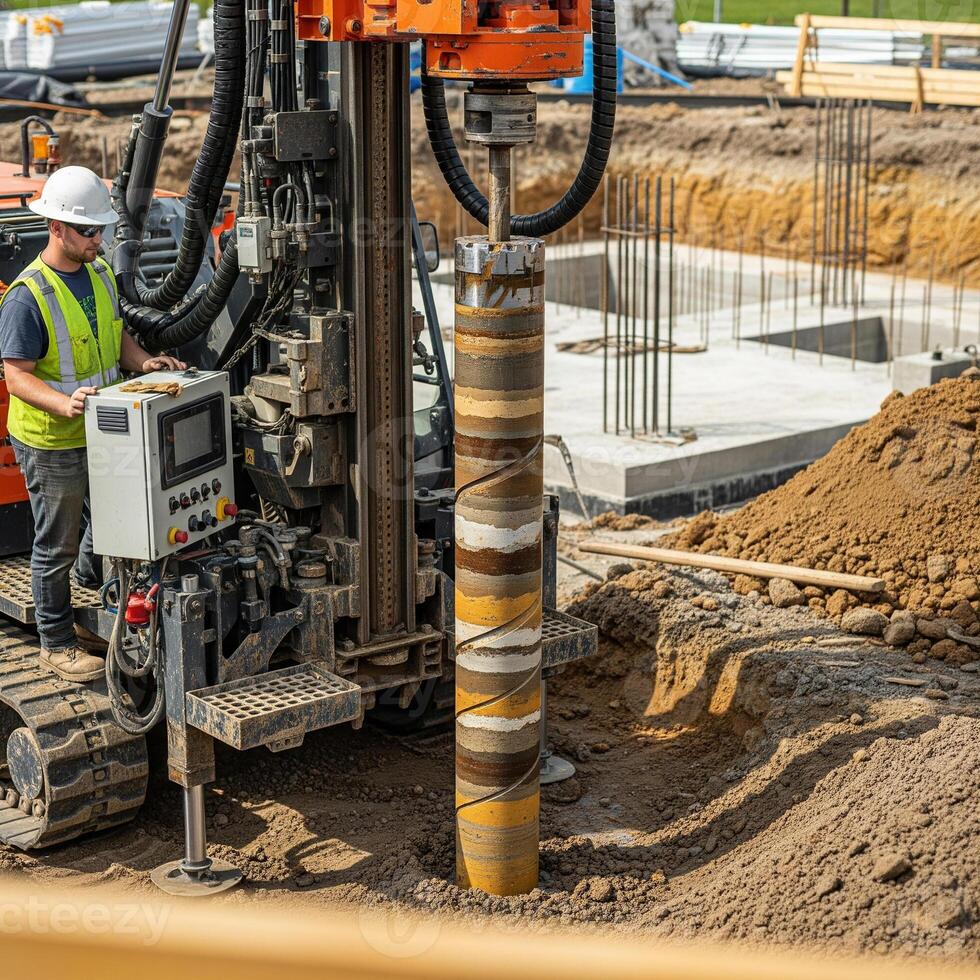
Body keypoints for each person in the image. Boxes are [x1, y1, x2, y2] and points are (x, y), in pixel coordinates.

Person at [0, 166, 185, 682]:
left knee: (108, 520)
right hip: (53, 440)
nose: (97, 239)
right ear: (56, 228)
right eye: (88, 230)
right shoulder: (26, 297)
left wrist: (143, 362)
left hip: (103, 430)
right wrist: (65, 405)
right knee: (54, 543)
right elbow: (16, 379)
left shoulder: (100, 274)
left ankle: (86, 583)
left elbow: (115, 337)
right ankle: (55, 642)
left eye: (101, 229)